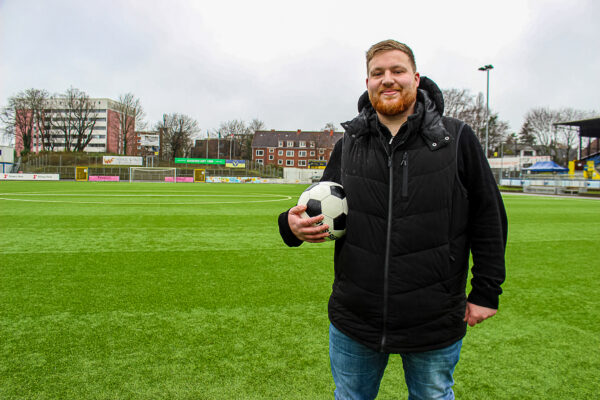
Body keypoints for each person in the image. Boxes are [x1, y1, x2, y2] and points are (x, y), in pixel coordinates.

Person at [278, 39, 507, 399]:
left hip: (433, 318)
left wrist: (486, 292)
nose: (388, 79)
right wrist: (290, 226)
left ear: (416, 78)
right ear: (367, 82)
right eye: (377, 73)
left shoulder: (457, 138)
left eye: (397, 71)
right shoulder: (350, 143)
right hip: (356, 318)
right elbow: (316, 203)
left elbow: (489, 218)